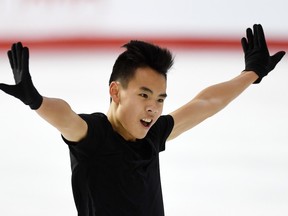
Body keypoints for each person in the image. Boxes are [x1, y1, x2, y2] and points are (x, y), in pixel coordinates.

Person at [0, 24, 285, 216]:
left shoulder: (151, 135)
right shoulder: (95, 137)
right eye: (145, 95)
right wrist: (35, 100)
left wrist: (252, 73)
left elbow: (205, 103)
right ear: (116, 91)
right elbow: (65, 117)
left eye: (160, 99)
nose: (153, 108)